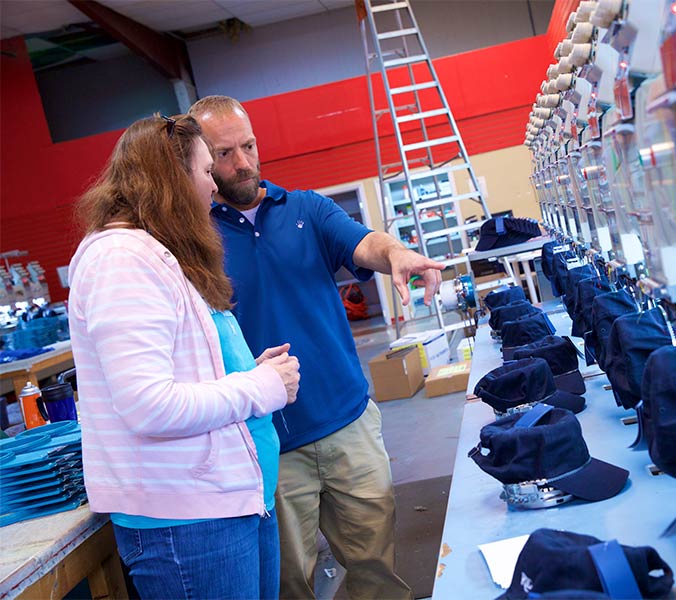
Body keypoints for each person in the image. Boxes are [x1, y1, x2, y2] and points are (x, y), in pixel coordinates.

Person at [190, 95, 444, 600]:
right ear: (200, 161)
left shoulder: (306, 208)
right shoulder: (196, 240)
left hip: (348, 425)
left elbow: (364, 242)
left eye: (248, 145)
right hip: (268, 445)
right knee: (290, 584)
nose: (241, 162)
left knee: (377, 570)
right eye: (223, 154)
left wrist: (397, 252)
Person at [68, 114, 300, 600]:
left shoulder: (156, 253)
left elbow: (181, 369)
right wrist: (259, 389)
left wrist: (247, 372)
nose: (211, 189)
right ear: (172, 181)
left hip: (225, 505)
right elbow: (150, 405)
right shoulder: (122, 261)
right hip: (189, 523)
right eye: (204, 173)